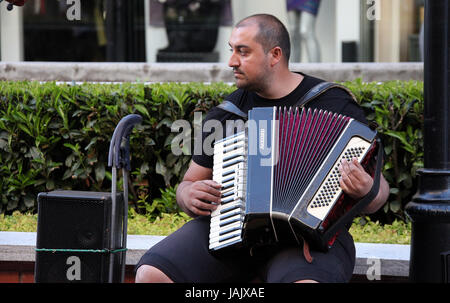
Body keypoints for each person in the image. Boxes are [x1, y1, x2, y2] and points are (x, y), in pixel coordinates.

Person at [135, 13, 390, 283]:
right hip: (232, 235)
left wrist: (366, 191)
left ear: (275, 54)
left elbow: (379, 192)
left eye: (243, 52)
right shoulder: (228, 113)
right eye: (231, 50)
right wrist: (188, 195)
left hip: (309, 240)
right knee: (151, 274)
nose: (232, 61)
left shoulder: (333, 104)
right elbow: (187, 184)